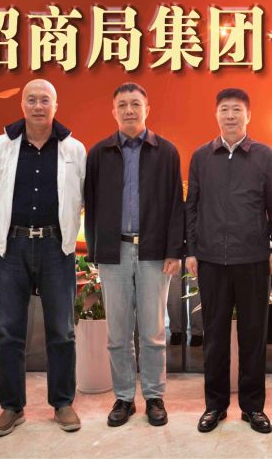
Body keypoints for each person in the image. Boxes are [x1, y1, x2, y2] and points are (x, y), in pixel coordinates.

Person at [0, 79, 86, 436]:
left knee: (62, 330)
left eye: (45, 100)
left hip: (56, 247)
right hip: (12, 247)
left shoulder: (74, 148)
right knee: (10, 331)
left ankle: (63, 402)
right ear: (22, 105)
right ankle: (12, 407)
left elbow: (80, 197)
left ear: (56, 106)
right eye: (32, 100)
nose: (38, 106)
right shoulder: (0, 145)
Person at [84, 82, 184, 428]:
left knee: (154, 331)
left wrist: (174, 250)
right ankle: (124, 397)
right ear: (113, 111)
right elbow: (91, 206)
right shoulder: (99, 153)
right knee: (118, 332)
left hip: (154, 252)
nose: (129, 110)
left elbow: (176, 204)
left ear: (147, 109)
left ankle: (154, 396)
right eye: (123, 104)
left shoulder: (166, 152)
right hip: (114, 252)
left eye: (136, 104)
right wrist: (96, 250)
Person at [185, 88, 272, 434]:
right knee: (214, 336)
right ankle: (215, 406)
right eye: (224, 109)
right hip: (211, 260)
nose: (230, 115)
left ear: (248, 115)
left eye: (237, 109)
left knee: (254, 335)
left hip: (253, 259)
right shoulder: (201, 156)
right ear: (216, 115)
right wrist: (191, 250)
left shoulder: (264, 155)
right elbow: (191, 206)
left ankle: (253, 407)